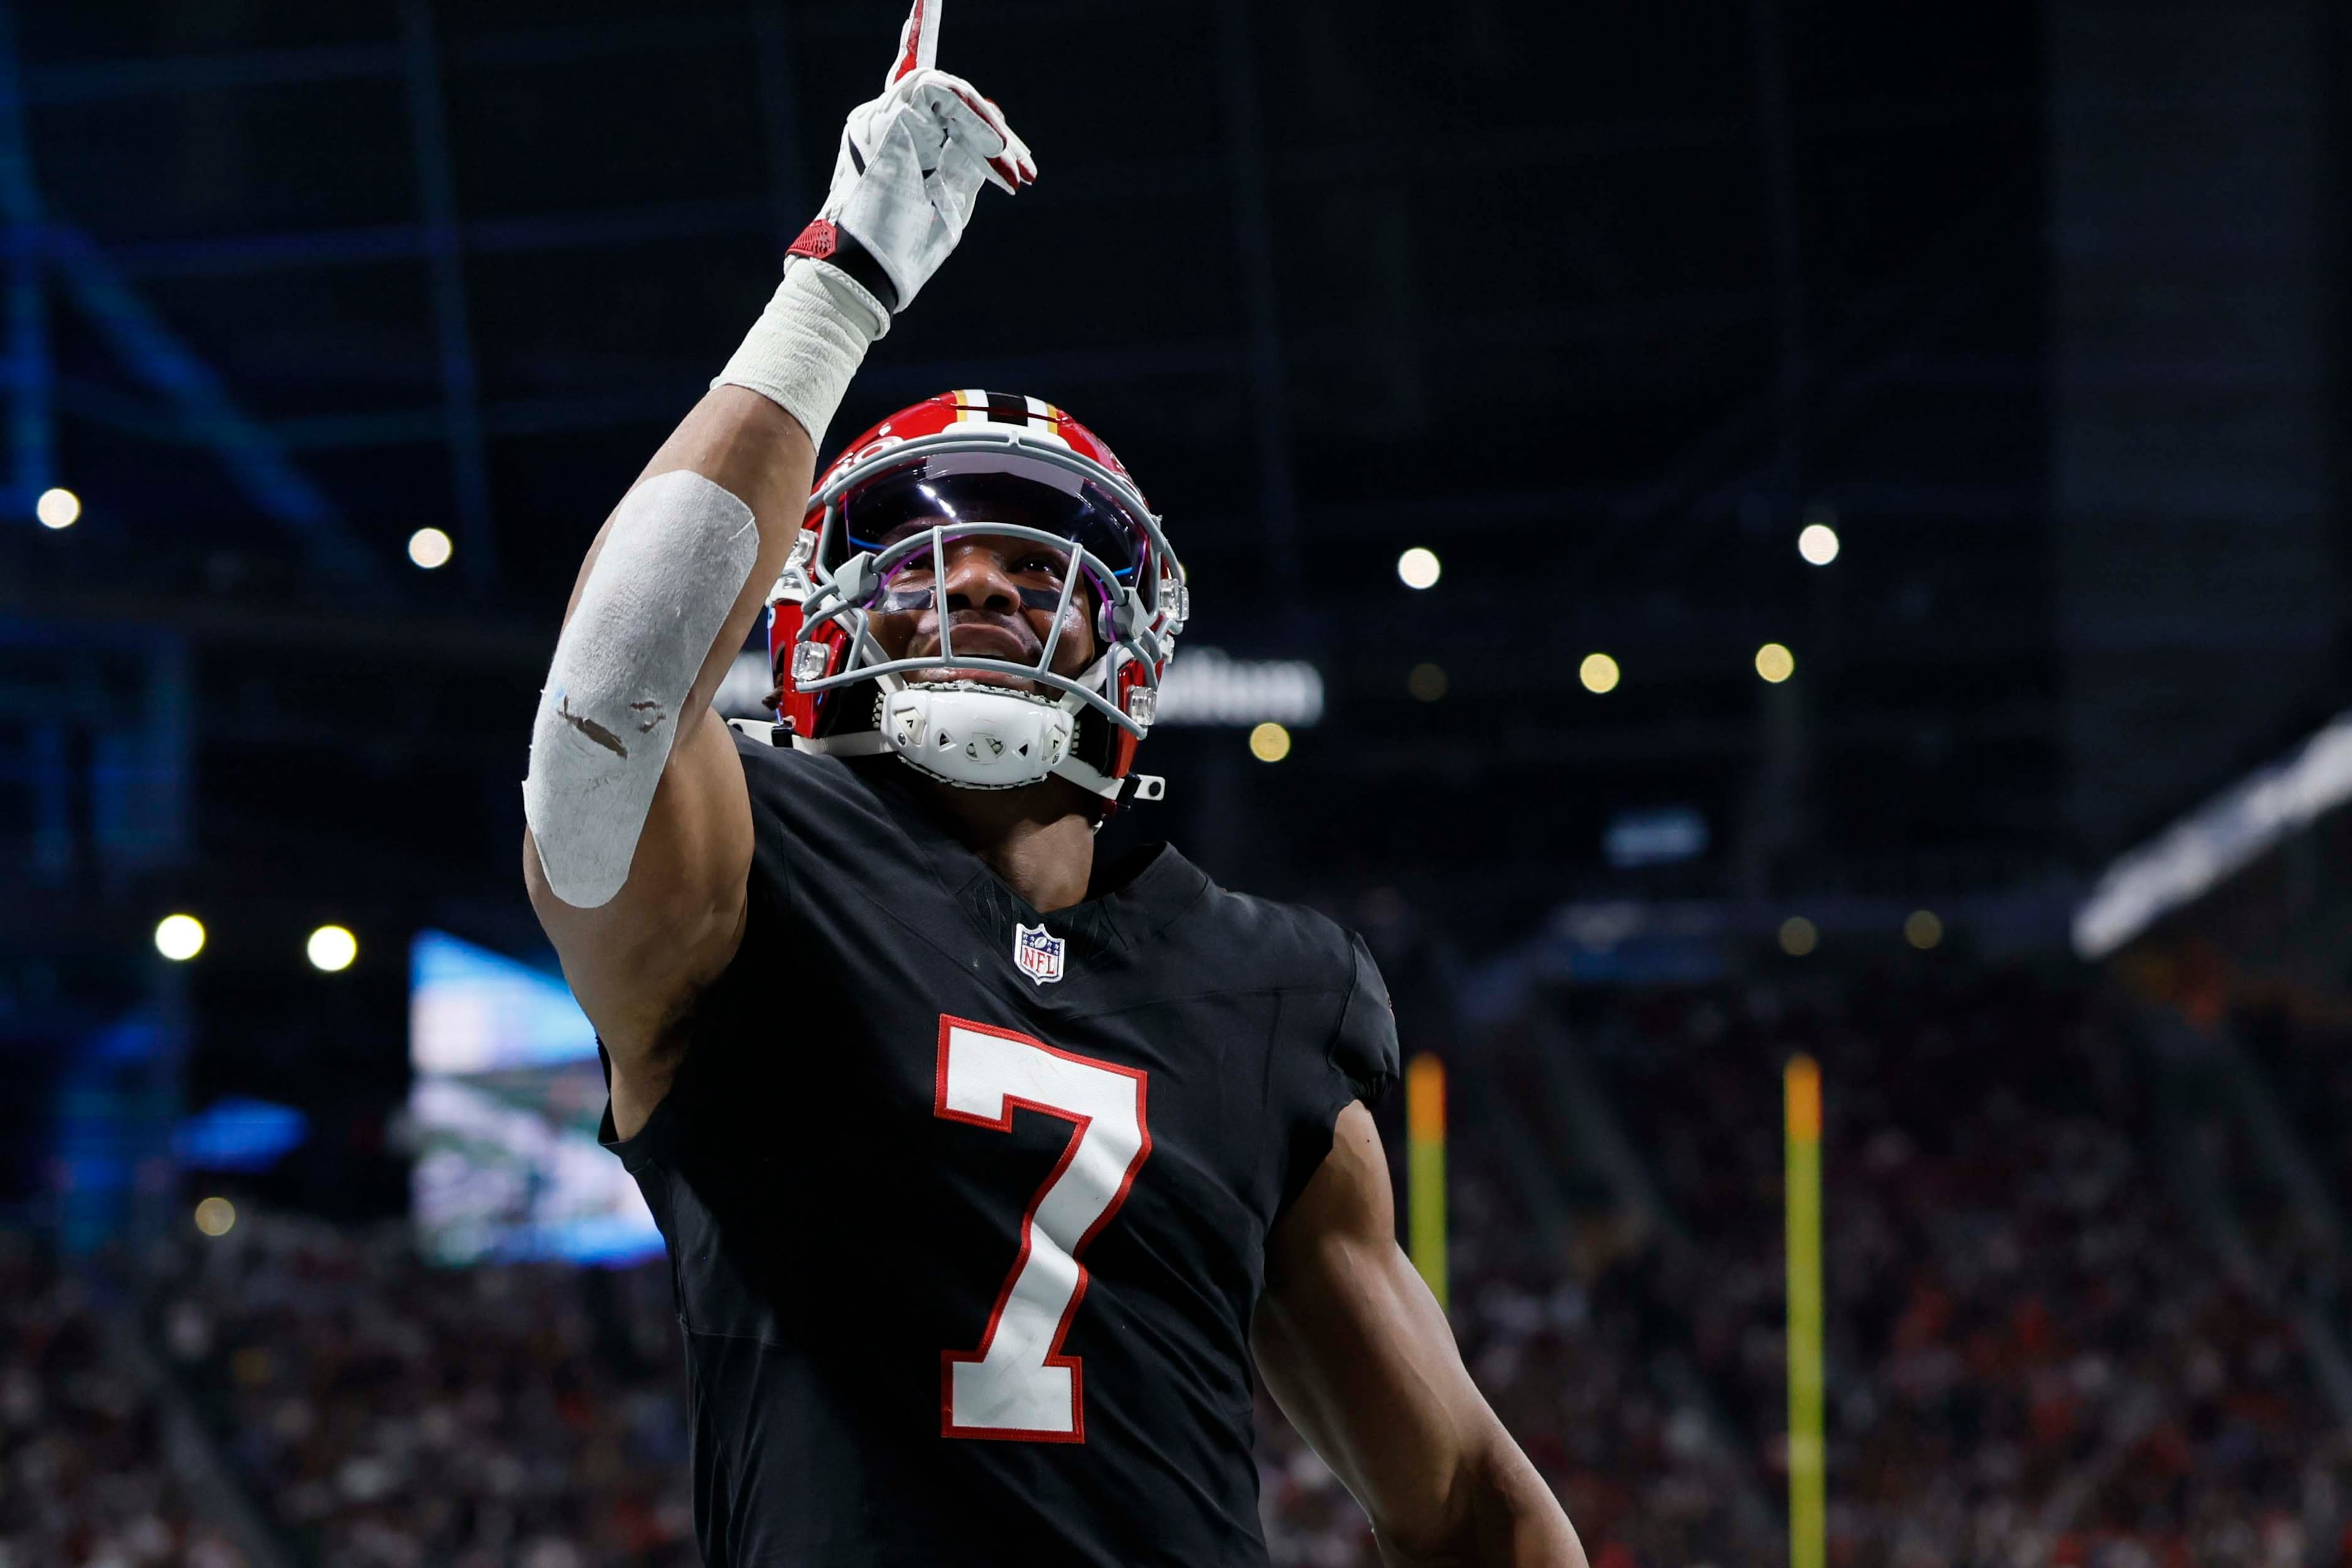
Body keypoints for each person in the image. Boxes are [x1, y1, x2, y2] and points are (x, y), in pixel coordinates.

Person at [521, 4, 1585, 1563]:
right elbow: (608, 700)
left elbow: (1469, 1498)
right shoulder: (750, 865)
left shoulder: (1271, 985)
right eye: (929, 559)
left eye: (1039, 564)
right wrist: (839, 288)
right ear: (819, 617)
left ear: (1132, 641)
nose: (989, 592)